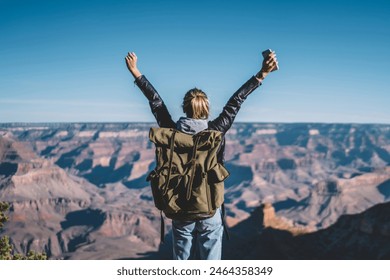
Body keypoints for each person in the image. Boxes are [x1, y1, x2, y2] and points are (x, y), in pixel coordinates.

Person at [125, 50, 278, 260]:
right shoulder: (216, 131)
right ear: (206, 109)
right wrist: (262, 73)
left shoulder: (170, 132)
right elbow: (236, 102)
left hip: (179, 207)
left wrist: (136, 72)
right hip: (209, 208)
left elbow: (156, 102)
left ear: (185, 108)